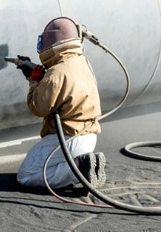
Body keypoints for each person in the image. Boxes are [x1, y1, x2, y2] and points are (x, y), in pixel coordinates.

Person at [14, 17, 106, 189]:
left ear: (52, 43)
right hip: (88, 136)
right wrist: (43, 79)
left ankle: (79, 168)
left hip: (68, 139)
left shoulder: (56, 73)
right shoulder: (82, 62)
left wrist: (33, 83)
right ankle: (83, 164)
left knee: (26, 176)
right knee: (47, 166)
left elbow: (39, 108)